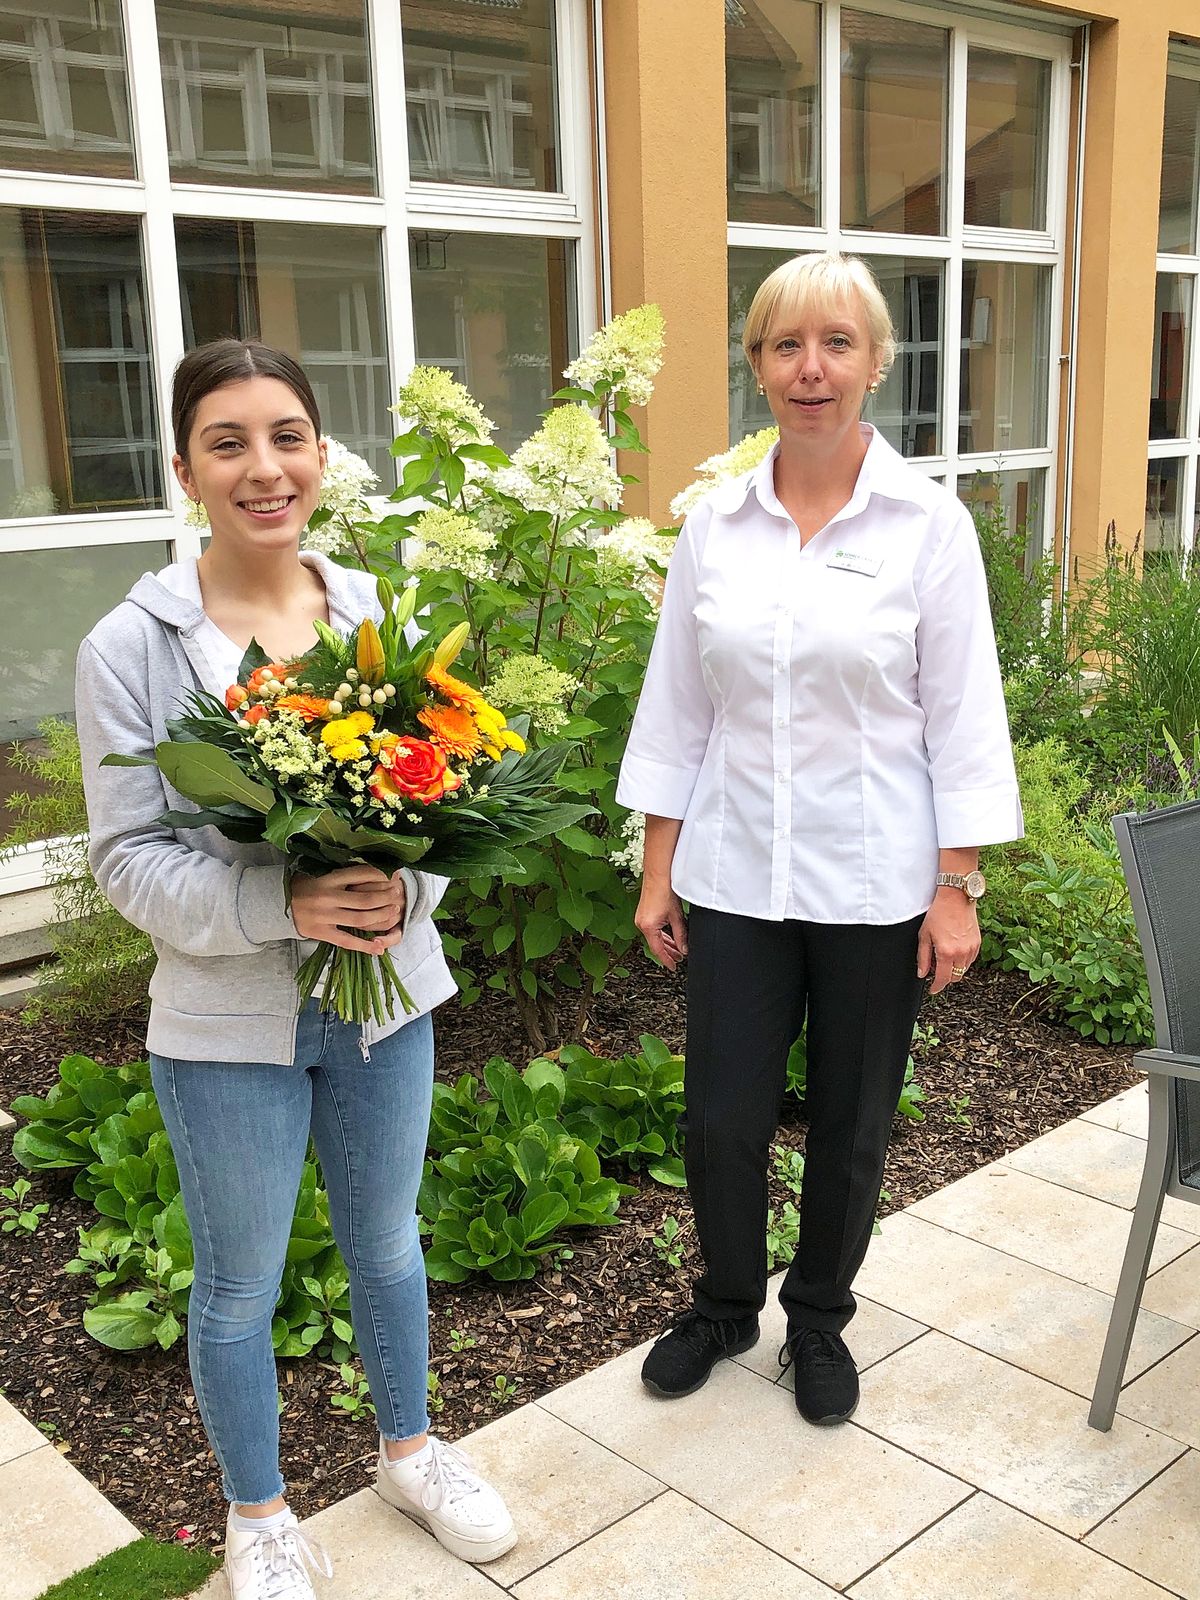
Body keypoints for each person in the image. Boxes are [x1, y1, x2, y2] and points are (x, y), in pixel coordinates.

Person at [74, 339, 517, 1599]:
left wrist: (399, 883)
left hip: (386, 1005)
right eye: (228, 441)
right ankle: (258, 1516)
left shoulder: (376, 611)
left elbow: (448, 796)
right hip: (225, 1027)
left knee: (388, 1244)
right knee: (238, 1285)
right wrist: (289, 900)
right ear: (185, 470)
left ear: (321, 455)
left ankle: (409, 1453)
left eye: (286, 436)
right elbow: (129, 863)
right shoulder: (135, 646)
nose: (263, 467)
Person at [616, 252, 1022, 1426]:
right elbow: (677, 707)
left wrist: (957, 885)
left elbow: (963, 714)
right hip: (737, 872)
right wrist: (657, 865)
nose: (812, 369)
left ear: (877, 363)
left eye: (837, 343)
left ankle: (821, 1318)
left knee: (852, 1120)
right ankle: (728, 1298)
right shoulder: (717, 527)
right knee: (721, 1116)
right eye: (787, 345)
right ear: (756, 365)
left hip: (874, 879)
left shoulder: (927, 526)